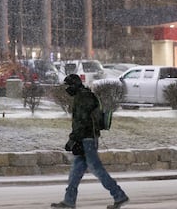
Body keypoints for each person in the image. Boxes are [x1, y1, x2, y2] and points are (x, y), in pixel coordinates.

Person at [51, 74, 130, 209]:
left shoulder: (82, 98)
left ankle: (119, 195)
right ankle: (69, 201)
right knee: (75, 172)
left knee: (97, 169)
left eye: (68, 86)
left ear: (74, 85)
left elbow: (82, 122)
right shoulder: (85, 95)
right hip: (85, 138)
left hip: (87, 139)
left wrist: (73, 139)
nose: (67, 89)